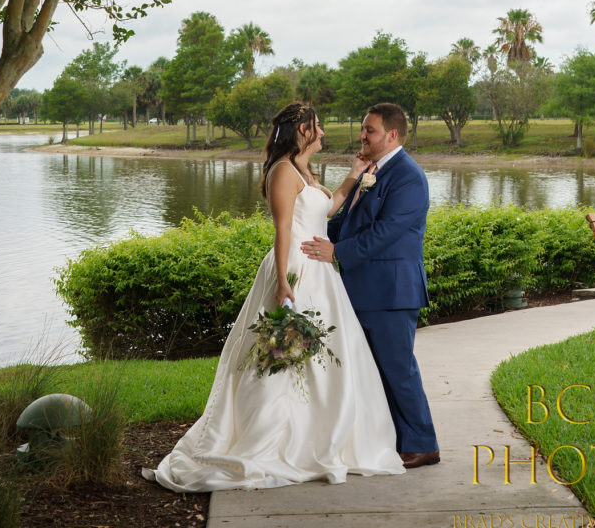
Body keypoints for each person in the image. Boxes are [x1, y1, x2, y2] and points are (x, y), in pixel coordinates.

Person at [143, 102, 404, 492]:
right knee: (285, 358)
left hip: (321, 271)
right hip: (297, 268)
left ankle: (323, 433)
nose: (322, 133)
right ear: (303, 130)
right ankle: (275, 438)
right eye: (317, 127)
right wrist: (283, 282)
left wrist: (351, 178)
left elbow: (324, 210)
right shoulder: (283, 171)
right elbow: (284, 230)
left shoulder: (303, 170)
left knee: (326, 358)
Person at [302, 102, 439, 469]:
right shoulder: (372, 171)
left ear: (392, 135)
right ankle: (393, 441)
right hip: (365, 289)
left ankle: (424, 444)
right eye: (363, 129)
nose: (362, 135)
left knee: (398, 370)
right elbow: (349, 223)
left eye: (370, 130)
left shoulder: (408, 177)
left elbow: (386, 233)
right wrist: (311, 234)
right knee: (373, 372)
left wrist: (337, 253)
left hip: (391, 292)